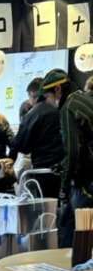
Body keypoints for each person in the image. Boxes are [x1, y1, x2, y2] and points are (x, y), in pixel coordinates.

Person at [39, 68, 93, 245]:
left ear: (58, 90)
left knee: (72, 234)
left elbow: (73, 152)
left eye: (47, 96)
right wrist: (62, 165)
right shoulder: (85, 100)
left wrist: (63, 187)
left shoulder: (68, 108)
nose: (47, 101)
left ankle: (72, 262)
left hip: (86, 184)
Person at [10, 77, 63, 197]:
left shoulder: (33, 114)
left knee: (46, 205)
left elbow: (21, 146)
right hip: (64, 168)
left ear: (31, 94)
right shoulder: (61, 108)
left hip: (43, 170)